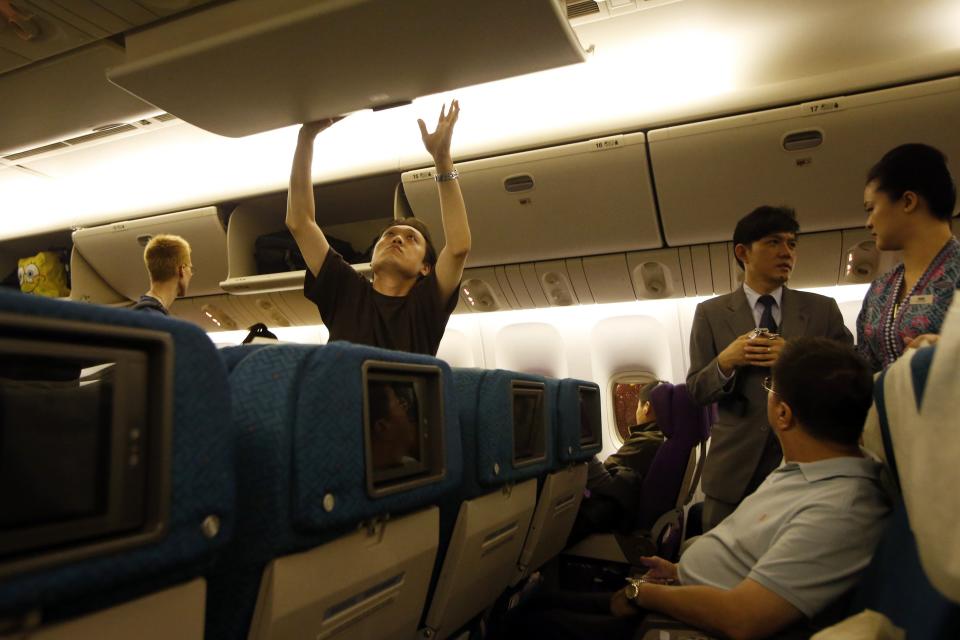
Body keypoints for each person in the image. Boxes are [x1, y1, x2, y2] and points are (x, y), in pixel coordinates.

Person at [508, 338, 891, 640]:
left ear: (783, 413)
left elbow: (743, 618)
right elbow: (752, 558)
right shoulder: (801, 471)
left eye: (771, 387)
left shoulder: (840, 509)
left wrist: (643, 594)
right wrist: (678, 571)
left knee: (531, 625)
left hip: (690, 622)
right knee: (536, 604)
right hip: (682, 587)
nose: (768, 395)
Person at [687, 206, 852, 532]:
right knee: (719, 571)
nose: (786, 252)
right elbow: (696, 391)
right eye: (774, 243)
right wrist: (726, 361)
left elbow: (851, 378)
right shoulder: (710, 313)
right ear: (742, 252)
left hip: (807, 467)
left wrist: (796, 356)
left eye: (792, 244)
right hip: (733, 471)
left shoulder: (822, 310)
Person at [285, 101, 471, 356]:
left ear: (425, 268)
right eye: (389, 236)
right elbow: (300, 223)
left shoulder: (425, 306)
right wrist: (306, 138)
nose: (396, 240)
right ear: (372, 257)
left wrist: (442, 159)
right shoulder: (347, 291)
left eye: (411, 239)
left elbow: (459, 247)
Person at [857, 143, 959, 372]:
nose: (868, 222)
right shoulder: (879, 291)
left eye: (871, 208)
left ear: (908, 202)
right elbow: (863, 371)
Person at [570, 381, 666, 543]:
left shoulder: (648, 440)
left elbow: (606, 473)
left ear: (646, 407)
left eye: (637, 405)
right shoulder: (662, 438)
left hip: (618, 512)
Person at [132, 234, 193, 315]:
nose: (191, 274)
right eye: (190, 268)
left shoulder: (140, 313)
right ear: (182, 270)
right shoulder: (157, 320)